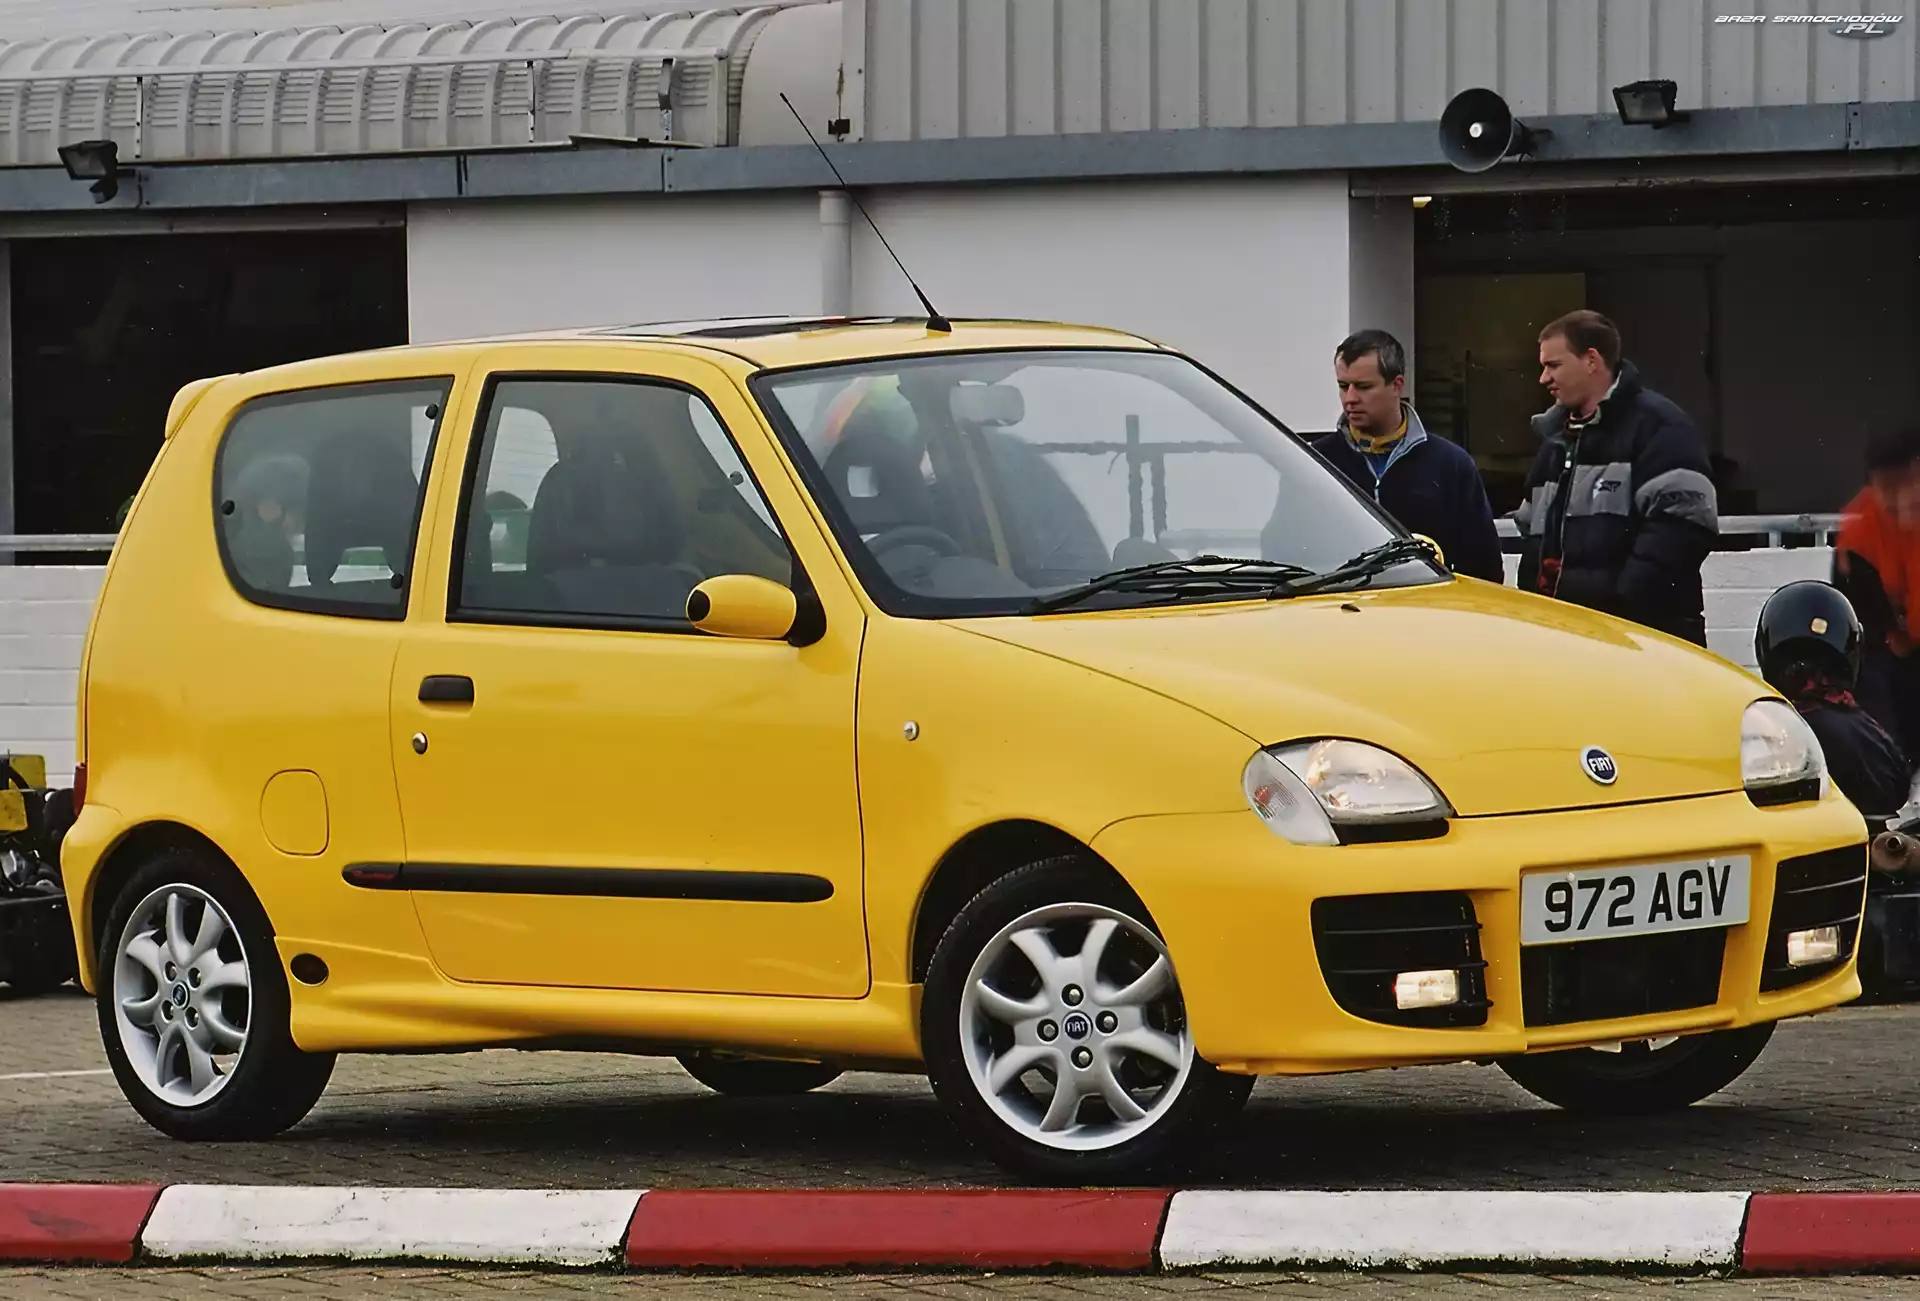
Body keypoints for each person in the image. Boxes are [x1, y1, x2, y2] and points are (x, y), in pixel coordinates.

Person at [1512, 310, 1719, 645]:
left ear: (1591, 360)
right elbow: (1531, 535)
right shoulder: (1556, 443)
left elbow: (1684, 527)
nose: (1543, 379)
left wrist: (1620, 608)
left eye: (1554, 365)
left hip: (1639, 644)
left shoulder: (1660, 427)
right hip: (1563, 640)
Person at [1310, 329, 1504, 582]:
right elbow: (1282, 544)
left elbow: (1484, 566)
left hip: (1427, 604)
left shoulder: (1451, 464)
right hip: (1339, 602)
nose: (1350, 398)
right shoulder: (1316, 461)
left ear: (1397, 385)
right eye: (1343, 386)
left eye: (1364, 387)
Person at [1755, 579, 1911, 820]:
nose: (1810, 683)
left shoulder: (1762, 724)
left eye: (1821, 673)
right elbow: (1897, 787)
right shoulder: (1863, 726)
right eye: (1797, 672)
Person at [1833, 425, 1920, 758]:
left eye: (1906, 485)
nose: (1899, 499)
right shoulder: (1859, 536)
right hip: (1890, 650)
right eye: (1887, 488)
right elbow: (1861, 623)